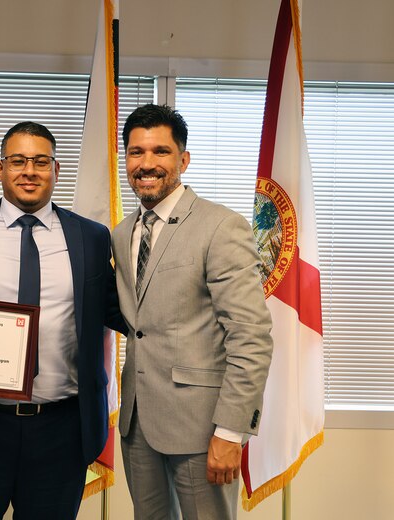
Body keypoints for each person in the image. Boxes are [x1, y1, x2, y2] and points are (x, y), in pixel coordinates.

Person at [0, 122, 126, 520]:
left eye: (41, 162)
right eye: (18, 161)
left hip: (61, 431)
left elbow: (118, 309)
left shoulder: (92, 237)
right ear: (0, 168)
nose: (29, 171)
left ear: (56, 169)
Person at [112, 103, 274, 520]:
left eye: (160, 152)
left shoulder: (220, 227)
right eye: (136, 152)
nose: (146, 164)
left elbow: (251, 336)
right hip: (137, 424)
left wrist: (231, 431)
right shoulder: (122, 232)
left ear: (183, 160)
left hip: (202, 429)